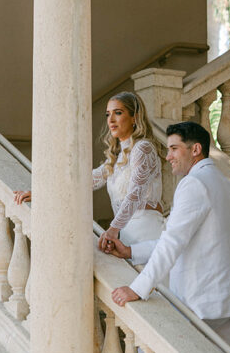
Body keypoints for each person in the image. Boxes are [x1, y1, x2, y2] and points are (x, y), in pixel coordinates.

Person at [107, 120, 230, 353]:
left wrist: (138, 289)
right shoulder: (226, 184)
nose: (168, 156)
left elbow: (172, 243)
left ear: (195, 150)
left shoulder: (193, 183)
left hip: (202, 303)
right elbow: (186, 238)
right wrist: (131, 252)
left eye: (174, 149)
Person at [14, 91, 164, 250]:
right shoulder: (116, 160)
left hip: (147, 230)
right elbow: (81, 183)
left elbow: (135, 194)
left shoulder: (143, 148)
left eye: (118, 113)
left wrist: (113, 229)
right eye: (108, 114)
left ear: (135, 117)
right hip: (126, 234)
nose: (111, 120)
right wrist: (40, 193)